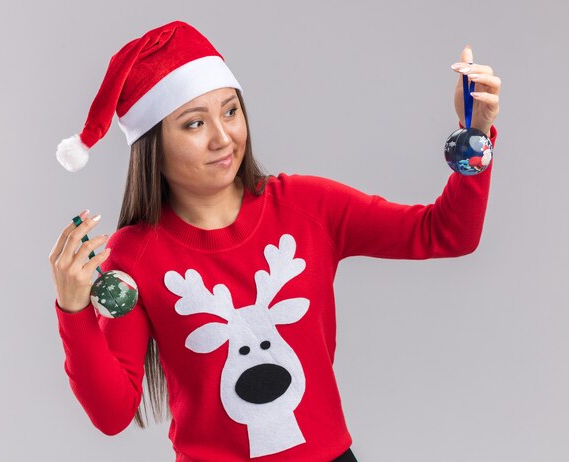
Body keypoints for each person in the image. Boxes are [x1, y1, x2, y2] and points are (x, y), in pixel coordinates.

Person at [48, 20, 501, 462]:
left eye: (230, 110)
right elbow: (112, 415)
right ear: (152, 145)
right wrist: (74, 311)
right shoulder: (133, 256)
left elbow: (446, 233)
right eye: (193, 124)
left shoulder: (308, 207)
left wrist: (475, 138)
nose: (223, 137)